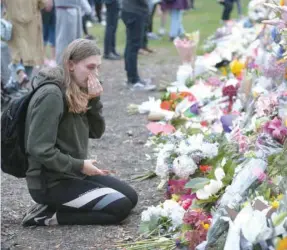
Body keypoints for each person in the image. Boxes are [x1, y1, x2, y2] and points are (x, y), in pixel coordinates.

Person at [21, 39, 138, 227]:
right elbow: (38, 148)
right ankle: (47, 215)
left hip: (72, 173)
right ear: (71, 65)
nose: (95, 75)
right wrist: (80, 165)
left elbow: (96, 131)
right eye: (90, 67)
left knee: (131, 197)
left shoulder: (78, 88)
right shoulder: (51, 95)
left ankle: (65, 204)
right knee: (120, 208)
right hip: (50, 182)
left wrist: (94, 100)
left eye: (98, 68)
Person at [3, 0, 50, 79]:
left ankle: (18, 75)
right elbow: (43, 3)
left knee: (14, 54)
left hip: (13, 20)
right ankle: (24, 83)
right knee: (30, 56)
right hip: (32, 24)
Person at [121, 0, 156, 90]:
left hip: (131, 10)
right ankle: (134, 80)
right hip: (135, 11)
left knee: (131, 45)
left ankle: (131, 77)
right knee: (133, 46)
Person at [55, 0, 92, 65]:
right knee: (64, 40)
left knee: (75, 40)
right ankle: (62, 66)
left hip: (74, 7)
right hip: (66, 8)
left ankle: (71, 65)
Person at [42, 0, 57, 67]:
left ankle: (53, 59)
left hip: (52, 9)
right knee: (43, 35)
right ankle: (43, 58)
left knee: (52, 35)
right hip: (42, 7)